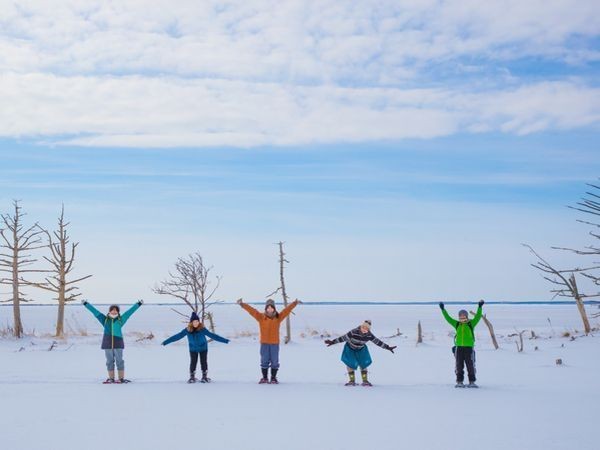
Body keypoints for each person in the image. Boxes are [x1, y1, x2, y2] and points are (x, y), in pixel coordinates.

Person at [237, 298, 301, 384]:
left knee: (275, 361)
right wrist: (242, 304)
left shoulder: (278, 317)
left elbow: (286, 311)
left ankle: (273, 378)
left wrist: (294, 303)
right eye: (268, 307)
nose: (270, 309)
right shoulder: (261, 317)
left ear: (274, 309)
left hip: (274, 344)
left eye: (271, 307)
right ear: (266, 309)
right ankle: (265, 378)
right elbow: (252, 311)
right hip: (264, 343)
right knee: (264, 361)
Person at [82, 299, 143, 384]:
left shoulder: (121, 320)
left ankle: (121, 378)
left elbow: (129, 312)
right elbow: (95, 312)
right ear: (110, 311)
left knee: (119, 361)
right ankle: (111, 378)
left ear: (118, 312)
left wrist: (138, 304)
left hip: (118, 342)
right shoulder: (105, 319)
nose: (114, 311)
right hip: (107, 343)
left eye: (115, 310)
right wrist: (86, 304)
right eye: (112, 310)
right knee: (109, 361)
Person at [162, 311, 230, 383]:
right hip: (193, 349)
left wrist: (226, 341)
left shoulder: (202, 329)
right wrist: (165, 342)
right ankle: (192, 377)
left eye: (197, 321)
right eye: (194, 322)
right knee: (193, 362)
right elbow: (177, 336)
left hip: (203, 348)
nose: (196, 323)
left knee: (203, 362)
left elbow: (213, 336)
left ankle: (204, 377)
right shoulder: (187, 330)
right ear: (191, 322)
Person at [324, 320, 396, 386]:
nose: (364, 329)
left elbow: (377, 342)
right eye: (363, 327)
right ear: (361, 327)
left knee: (363, 364)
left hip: (361, 349)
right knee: (350, 363)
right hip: (350, 348)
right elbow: (343, 338)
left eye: (367, 328)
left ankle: (365, 381)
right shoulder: (353, 332)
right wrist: (333, 342)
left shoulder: (369, 335)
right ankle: (352, 381)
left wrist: (387, 347)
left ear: (368, 329)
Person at [439, 300, 484, 388]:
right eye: (461, 317)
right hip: (459, 348)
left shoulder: (471, 323)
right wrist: (443, 309)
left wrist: (479, 307)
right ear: (459, 317)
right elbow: (448, 318)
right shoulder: (457, 324)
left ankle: (472, 382)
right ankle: (459, 382)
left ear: (467, 316)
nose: (462, 318)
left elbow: (478, 317)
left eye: (464, 316)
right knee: (459, 365)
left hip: (469, 348)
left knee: (470, 365)